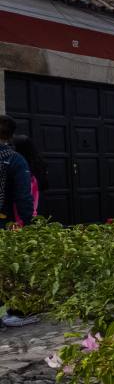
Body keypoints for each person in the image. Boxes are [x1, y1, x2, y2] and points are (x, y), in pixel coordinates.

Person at [1, 115, 39, 327]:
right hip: (5, 222)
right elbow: (24, 197)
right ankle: (15, 313)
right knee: (12, 267)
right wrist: (29, 223)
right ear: (11, 135)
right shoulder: (15, 159)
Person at [12, 134, 47, 225]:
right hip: (27, 214)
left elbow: (23, 197)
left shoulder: (21, 167)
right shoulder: (34, 166)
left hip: (19, 218)